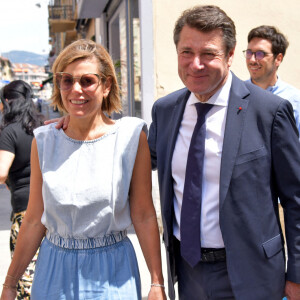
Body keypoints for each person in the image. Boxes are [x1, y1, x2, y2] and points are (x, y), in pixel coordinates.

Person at [147, 5, 300, 300]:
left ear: (230, 56)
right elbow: (138, 158)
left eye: (209, 54)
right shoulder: (165, 111)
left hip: (252, 275)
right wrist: (79, 123)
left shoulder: (268, 111)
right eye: (186, 52)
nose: (196, 64)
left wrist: (296, 274)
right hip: (188, 273)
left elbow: (295, 199)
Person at [0, 40, 166, 300]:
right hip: (54, 270)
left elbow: (144, 214)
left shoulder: (131, 137)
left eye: (87, 81)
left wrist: (157, 282)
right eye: (67, 80)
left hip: (112, 269)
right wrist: (10, 284)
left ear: (106, 85)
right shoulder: (43, 141)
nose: (76, 89)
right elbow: (33, 220)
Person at [0, 80, 44, 299]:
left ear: (7, 102)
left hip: (25, 213)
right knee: (47, 269)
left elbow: (1, 172)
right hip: (51, 210)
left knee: (25, 273)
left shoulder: (9, 132)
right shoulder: (44, 126)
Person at [244, 25, 300, 135]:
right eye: (249, 52)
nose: (252, 59)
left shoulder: (295, 100)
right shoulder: (236, 92)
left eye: (260, 54)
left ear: (278, 59)